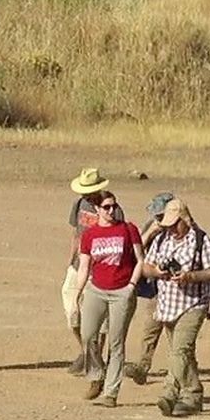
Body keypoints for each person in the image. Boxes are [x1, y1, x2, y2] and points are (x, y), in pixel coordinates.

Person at [140, 198, 210, 417]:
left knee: (180, 351)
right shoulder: (161, 241)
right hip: (168, 305)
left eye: (174, 224)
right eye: (167, 225)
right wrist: (157, 272)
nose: (171, 229)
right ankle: (190, 395)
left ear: (185, 219)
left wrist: (191, 276)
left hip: (194, 304)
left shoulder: (204, 241)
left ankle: (173, 392)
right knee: (184, 354)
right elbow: (146, 268)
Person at [73, 190, 144, 407]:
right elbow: (84, 266)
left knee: (116, 342)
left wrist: (132, 285)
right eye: (106, 207)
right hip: (96, 289)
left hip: (122, 291)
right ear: (97, 209)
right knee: (88, 335)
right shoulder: (90, 235)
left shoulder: (128, 229)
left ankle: (111, 393)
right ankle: (96, 375)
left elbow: (140, 259)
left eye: (113, 206)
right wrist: (78, 292)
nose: (111, 210)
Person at [122, 190, 175, 386]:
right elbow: (136, 254)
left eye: (161, 215)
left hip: (180, 290)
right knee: (151, 328)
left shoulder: (186, 230)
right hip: (158, 288)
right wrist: (151, 232)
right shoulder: (152, 227)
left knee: (175, 333)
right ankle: (142, 367)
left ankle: (178, 371)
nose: (158, 219)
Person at [63, 167, 110, 374]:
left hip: (99, 267)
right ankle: (85, 350)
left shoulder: (109, 207)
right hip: (77, 264)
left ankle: (95, 356)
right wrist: (70, 258)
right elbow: (76, 232)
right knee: (71, 309)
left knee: (100, 316)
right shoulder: (79, 203)